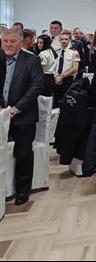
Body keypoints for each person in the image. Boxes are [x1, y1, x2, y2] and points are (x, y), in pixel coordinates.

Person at [0, 28, 44, 205]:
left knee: (23, 153)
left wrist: (16, 108)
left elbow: (37, 86)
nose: (8, 45)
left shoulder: (31, 60)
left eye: (12, 41)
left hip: (23, 115)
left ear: (20, 42)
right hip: (1, 115)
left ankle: (22, 191)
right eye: (5, 41)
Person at [53, 32, 80, 106]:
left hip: (68, 80)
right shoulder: (55, 52)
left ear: (69, 40)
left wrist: (61, 77)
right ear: (59, 40)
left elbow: (75, 68)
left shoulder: (74, 52)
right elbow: (52, 66)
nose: (64, 41)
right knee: (56, 102)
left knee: (66, 103)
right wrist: (56, 76)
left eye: (66, 39)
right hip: (55, 79)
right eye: (62, 39)